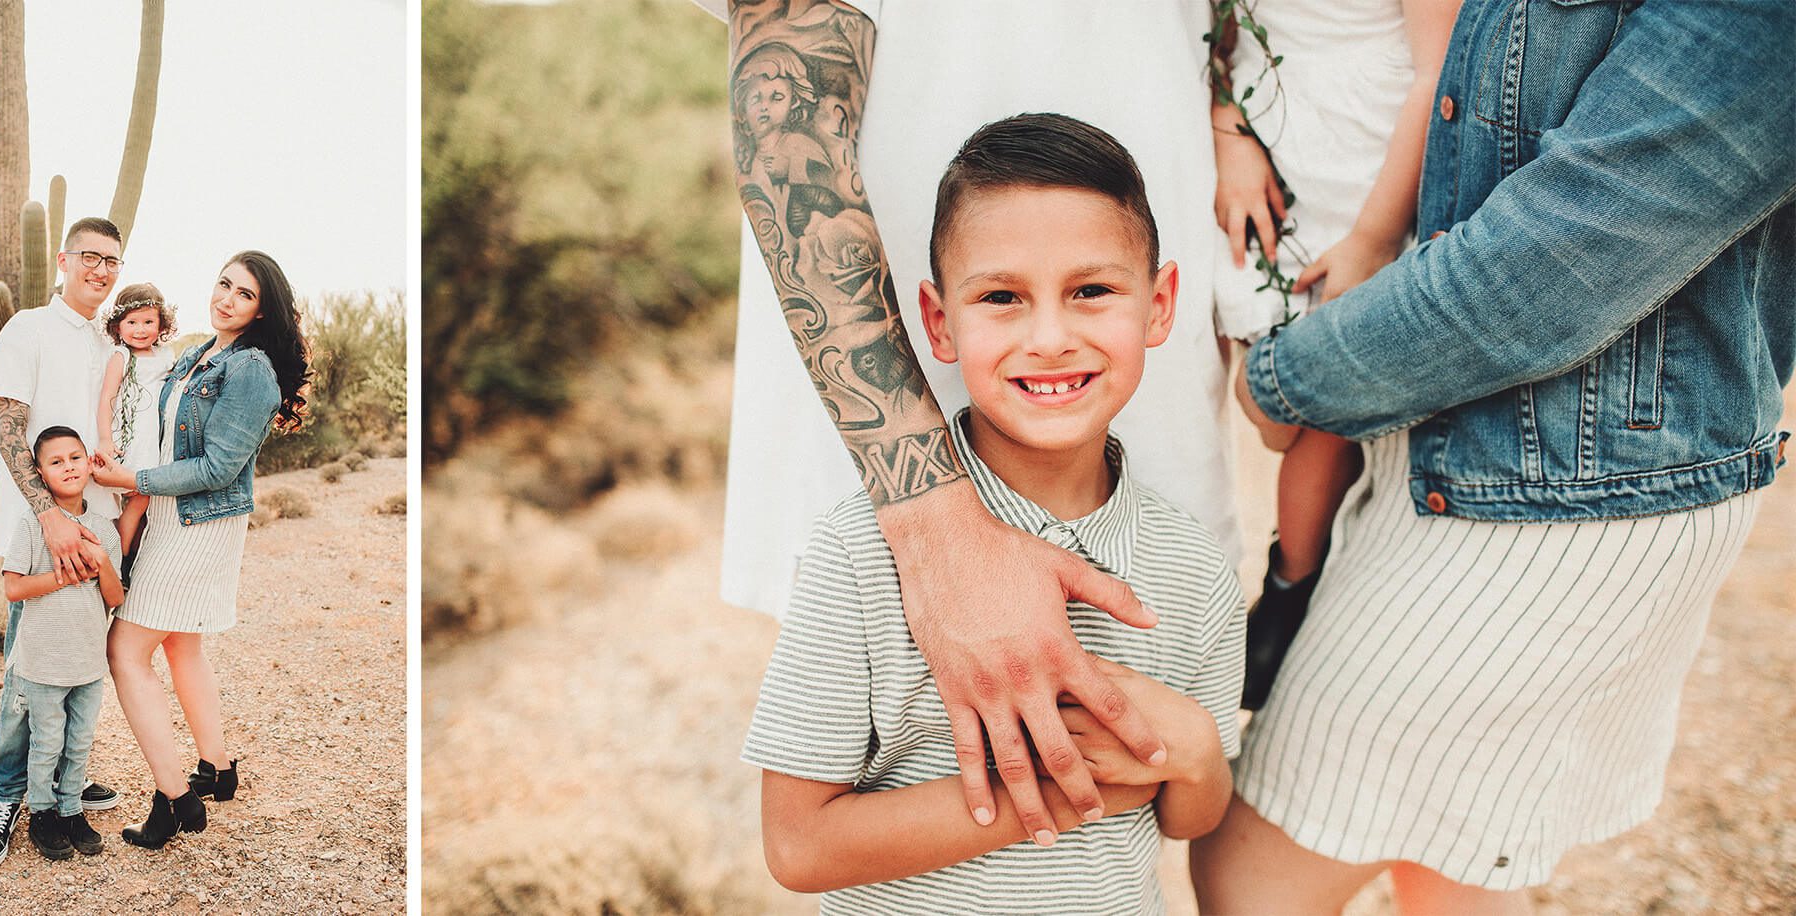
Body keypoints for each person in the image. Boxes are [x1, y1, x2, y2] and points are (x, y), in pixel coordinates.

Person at [1181, 1, 1794, 912]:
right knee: (1452, 863)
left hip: (1571, 488)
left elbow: (1547, 272)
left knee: (1251, 874)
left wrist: (1281, 376)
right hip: (1453, 428)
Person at [704, 0, 1232, 848]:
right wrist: (941, 533)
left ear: (1155, 300)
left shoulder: (1187, 565)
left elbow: (1188, 810)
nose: (1051, 336)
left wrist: (1197, 752)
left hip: (1160, 452)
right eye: (1003, 300)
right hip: (903, 498)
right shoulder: (857, 563)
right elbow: (801, 844)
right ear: (940, 319)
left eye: (1089, 293)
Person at [1206, 0, 1461, 708]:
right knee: (1263, 408)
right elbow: (1212, 32)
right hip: (1262, 157)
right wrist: (1227, 130)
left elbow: (1438, 68)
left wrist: (1376, 237)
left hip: (1361, 176)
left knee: (1319, 409)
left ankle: (1292, 580)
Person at [91, 250, 312, 849]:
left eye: (244, 295)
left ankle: (174, 798)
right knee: (183, 644)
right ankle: (217, 767)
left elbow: (216, 467)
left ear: (263, 310)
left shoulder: (251, 369)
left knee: (126, 650)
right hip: (171, 512)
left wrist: (131, 481)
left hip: (199, 522)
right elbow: (164, 435)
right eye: (224, 285)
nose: (227, 299)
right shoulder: (198, 352)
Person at [0, 216, 127, 870]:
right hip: (37, 532)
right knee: (25, 680)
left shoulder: (109, 342)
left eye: (112, 261)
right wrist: (49, 515)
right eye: (90, 256)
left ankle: (63, 787)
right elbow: (8, 427)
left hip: (98, 526)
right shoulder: (27, 328)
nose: (100, 270)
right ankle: (5, 798)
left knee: (80, 666)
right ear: (63, 259)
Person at [0, 427, 124, 862]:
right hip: (42, 662)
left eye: (75, 457)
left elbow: (115, 597)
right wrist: (65, 576)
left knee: (79, 740)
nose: (68, 467)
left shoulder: (103, 529)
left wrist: (103, 562)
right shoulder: (34, 526)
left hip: (88, 660)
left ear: (90, 462)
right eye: (56, 461)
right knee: (46, 741)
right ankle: (43, 813)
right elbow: (13, 589)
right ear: (39, 472)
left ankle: (71, 810)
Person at [94, 282, 178, 565]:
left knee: (147, 500)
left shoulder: (166, 356)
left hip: (156, 438)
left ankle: (131, 556)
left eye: (148, 322)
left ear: (161, 324)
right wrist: (106, 439)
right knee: (138, 497)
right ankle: (121, 558)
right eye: (132, 322)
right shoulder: (122, 356)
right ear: (118, 326)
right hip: (133, 437)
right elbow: (107, 397)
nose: (140, 329)